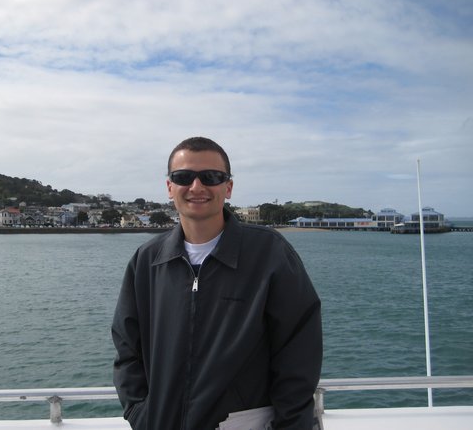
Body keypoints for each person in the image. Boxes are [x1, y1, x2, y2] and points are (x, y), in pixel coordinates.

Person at [112, 136, 322, 429]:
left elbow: (299, 356)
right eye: (184, 177)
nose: (197, 187)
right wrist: (140, 414)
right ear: (170, 187)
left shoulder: (269, 254)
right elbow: (127, 349)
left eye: (211, 177)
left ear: (228, 187)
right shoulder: (147, 261)